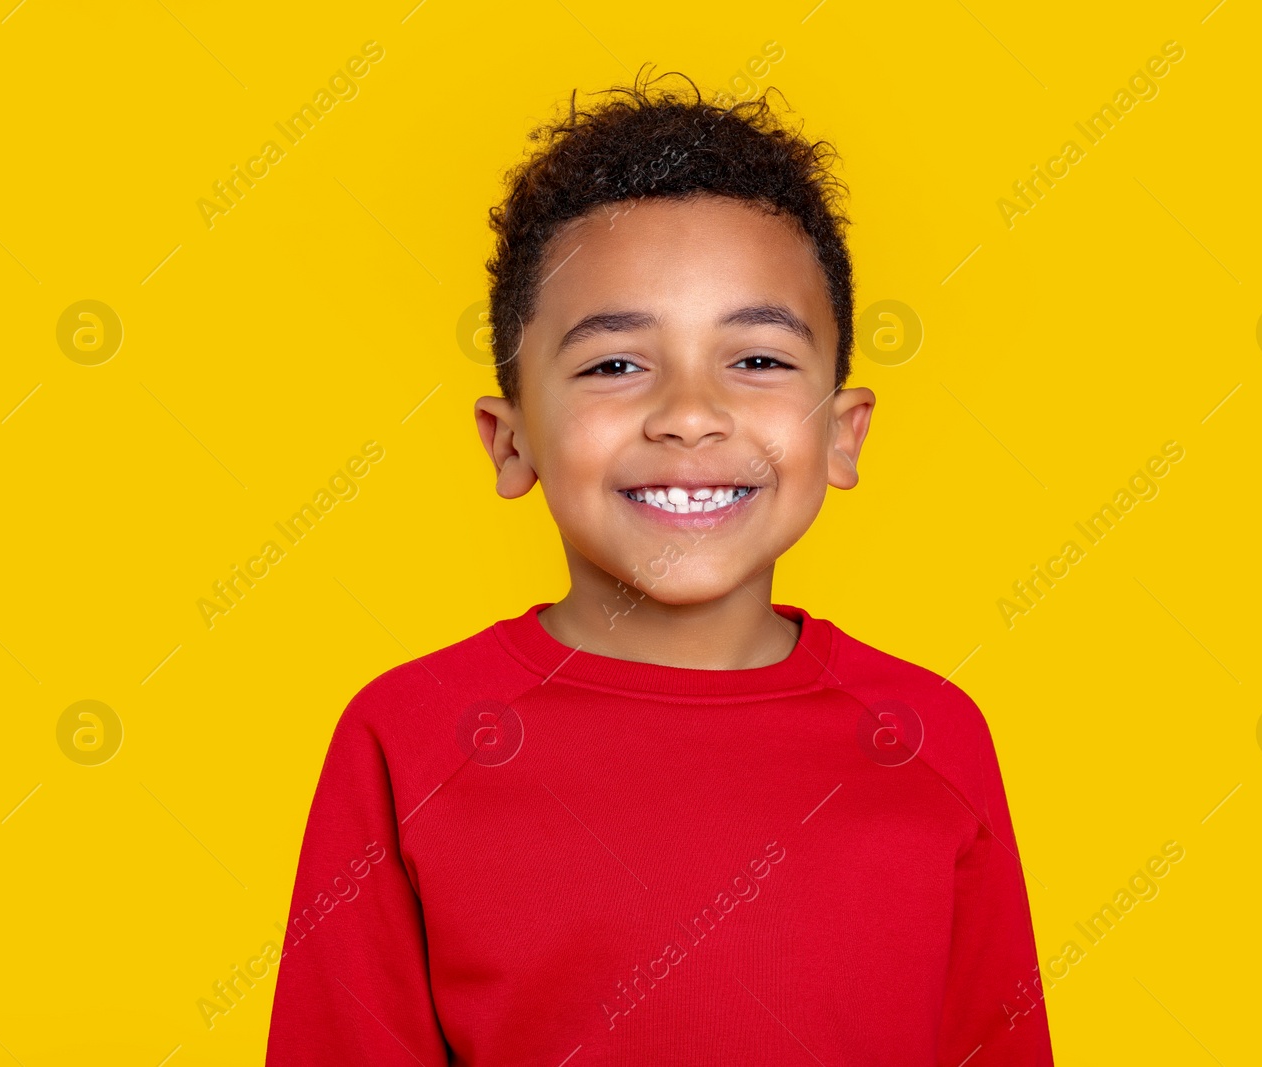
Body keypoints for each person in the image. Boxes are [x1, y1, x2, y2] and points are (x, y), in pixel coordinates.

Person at [266, 67, 1053, 1065]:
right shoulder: (406, 742)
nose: (688, 412)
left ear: (843, 433)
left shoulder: (932, 737)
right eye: (614, 363)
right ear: (510, 441)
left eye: (757, 359)